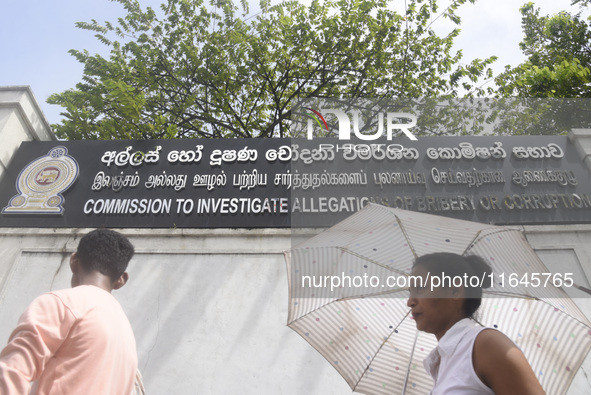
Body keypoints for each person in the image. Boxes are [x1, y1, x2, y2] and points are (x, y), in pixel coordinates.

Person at [0, 229, 138, 394]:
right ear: (121, 280)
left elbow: (12, 371)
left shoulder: (60, 304)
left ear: (73, 261)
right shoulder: (125, 332)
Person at [407, 252, 546, 395]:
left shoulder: (486, 344)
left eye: (420, 288)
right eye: (410, 292)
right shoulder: (443, 362)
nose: (410, 302)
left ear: (455, 291)